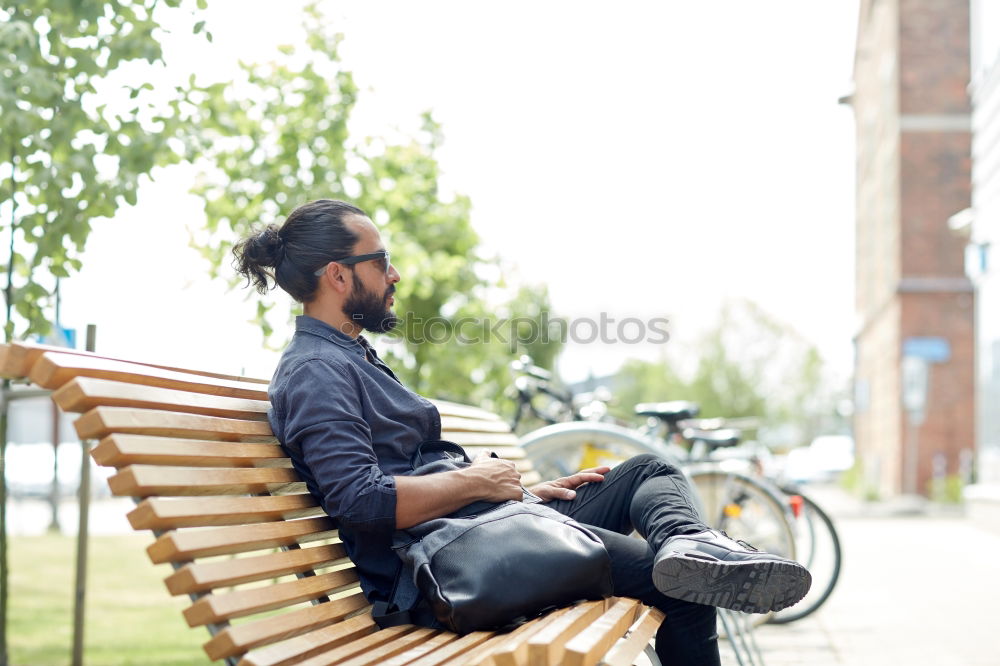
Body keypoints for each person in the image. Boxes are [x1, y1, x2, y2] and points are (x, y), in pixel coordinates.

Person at [235, 199, 811, 666]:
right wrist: (478, 484)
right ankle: (690, 558)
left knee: (646, 472)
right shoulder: (316, 371)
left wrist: (520, 496)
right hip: (444, 573)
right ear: (338, 275)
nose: (395, 274)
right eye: (380, 260)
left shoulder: (347, 357)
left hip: (479, 533)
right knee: (683, 590)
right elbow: (361, 502)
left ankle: (688, 542)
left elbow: (408, 476)